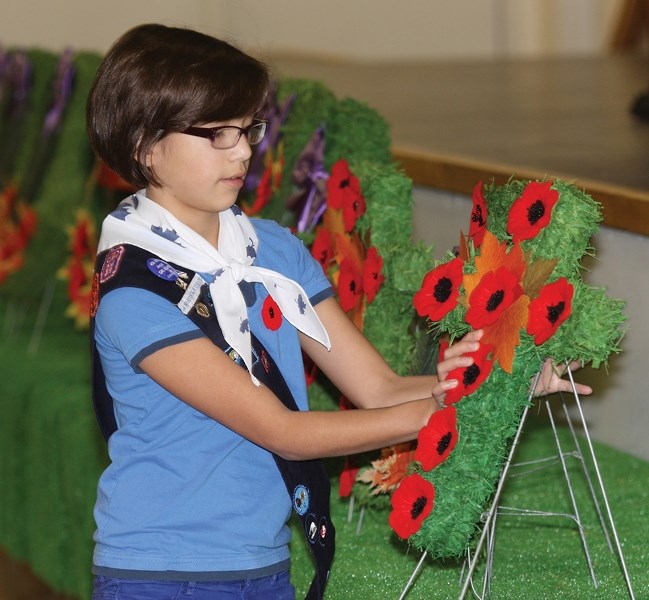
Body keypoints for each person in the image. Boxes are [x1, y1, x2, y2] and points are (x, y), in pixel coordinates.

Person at [86, 23, 592, 600]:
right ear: (145, 145)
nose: (243, 150)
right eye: (215, 134)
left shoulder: (273, 251)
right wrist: (438, 413)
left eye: (248, 128)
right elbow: (285, 433)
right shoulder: (135, 291)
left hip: (263, 564)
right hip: (159, 572)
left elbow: (378, 387)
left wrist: (502, 381)